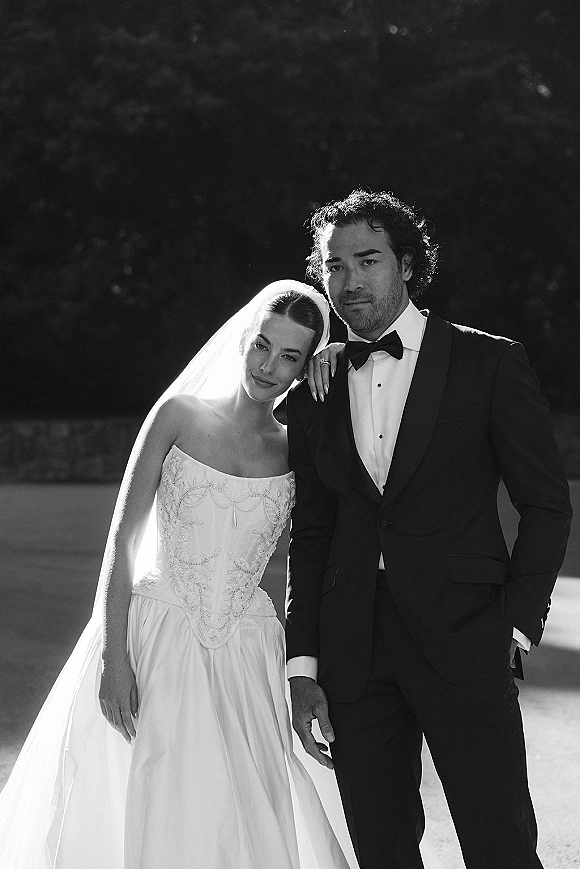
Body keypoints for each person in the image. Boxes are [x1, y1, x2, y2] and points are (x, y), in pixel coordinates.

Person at [0, 280, 355, 869]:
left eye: (290, 356)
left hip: (248, 654)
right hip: (158, 637)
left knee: (243, 811)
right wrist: (116, 657)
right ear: (243, 337)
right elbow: (125, 538)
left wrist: (340, 358)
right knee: (156, 801)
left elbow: (290, 566)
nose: (269, 365)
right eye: (262, 345)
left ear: (303, 367)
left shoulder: (297, 449)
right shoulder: (178, 416)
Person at [285, 189, 573, 869]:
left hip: (467, 635)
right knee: (381, 851)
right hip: (355, 651)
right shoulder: (314, 391)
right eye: (335, 266)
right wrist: (303, 666)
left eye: (368, 259)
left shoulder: (489, 362)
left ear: (407, 265)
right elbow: (311, 532)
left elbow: (546, 503)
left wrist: (515, 622)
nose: (349, 280)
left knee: (500, 843)